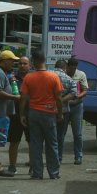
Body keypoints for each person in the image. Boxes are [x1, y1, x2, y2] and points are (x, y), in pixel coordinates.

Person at [20, 50, 63, 180]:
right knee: (52, 144)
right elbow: (59, 98)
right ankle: (54, 173)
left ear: (34, 62)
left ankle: (37, 173)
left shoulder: (29, 77)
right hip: (49, 114)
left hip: (33, 113)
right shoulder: (54, 77)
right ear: (44, 60)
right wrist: (60, 113)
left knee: (36, 144)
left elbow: (24, 98)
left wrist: (22, 114)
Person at [7, 55, 31, 174]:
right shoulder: (12, 78)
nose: (22, 65)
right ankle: (12, 166)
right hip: (15, 114)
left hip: (31, 114)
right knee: (14, 141)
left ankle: (33, 165)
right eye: (20, 63)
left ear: (29, 65)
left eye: (25, 63)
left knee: (32, 141)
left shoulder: (33, 78)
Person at [0, 50, 20, 177]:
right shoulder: (0, 73)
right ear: (5, 61)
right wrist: (14, 97)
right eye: (12, 61)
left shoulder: (4, 73)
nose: (13, 63)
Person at [51, 60, 77, 164]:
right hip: (64, 110)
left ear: (55, 66)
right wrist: (61, 100)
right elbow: (74, 93)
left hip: (47, 109)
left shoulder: (49, 75)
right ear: (65, 67)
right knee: (60, 135)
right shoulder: (69, 79)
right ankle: (58, 158)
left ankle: (50, 156)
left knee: (49, 135)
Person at [66, 57, 88, 165]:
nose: (72, 70)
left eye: (74, 68)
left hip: (77, 106)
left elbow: (85, 90)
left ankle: (78, 156)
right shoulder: (63, 75)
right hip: (65, 106)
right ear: (67, 66)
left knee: (78, 133)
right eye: (71, 68)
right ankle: (58, 156)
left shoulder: (81, 75)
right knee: (61, 133)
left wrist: (77, 97)